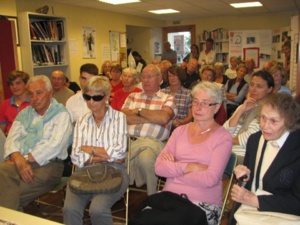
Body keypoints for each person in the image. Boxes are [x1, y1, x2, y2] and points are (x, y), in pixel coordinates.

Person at [155, 81, 232, 225]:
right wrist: (188, 167)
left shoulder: (223, 137)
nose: (198, 107)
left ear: (216, 107)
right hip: (169, 198)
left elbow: (210, 179)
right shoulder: (179, 131)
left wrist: (174, 171)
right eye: (195, 101)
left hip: (202, 203)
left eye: (205, 103)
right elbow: (159, 168)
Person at [0, 75, 73, 210]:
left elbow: (54, 146)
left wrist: (24, 160)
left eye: (39, 93)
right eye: (30, 94)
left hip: (48, 166)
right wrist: (18, 158)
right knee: (3, 170)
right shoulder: (24, 114)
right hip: (19, 162)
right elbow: (11, 139)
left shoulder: (61, 114)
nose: (34, 98)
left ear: (50, 93)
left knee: (8, 195)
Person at [63, 76, 128, 225]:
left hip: (114, 170)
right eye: (87, 97)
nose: (91, 102)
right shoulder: (81, 121)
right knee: (69, 209)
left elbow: (119, 152)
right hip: (84, 171)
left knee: (98, 209)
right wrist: (106, 155)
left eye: (96, 97)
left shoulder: (119, 118)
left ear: (106, 97)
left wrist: (89, 149)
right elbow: (76, 157)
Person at [230, 93, 300, 225]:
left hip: (284, 217)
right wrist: (244, 178)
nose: (265, 126)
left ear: (289, 121)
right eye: (263, 118)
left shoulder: (297, 148)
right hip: (253, 214)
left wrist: (256, 200)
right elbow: (252, 183)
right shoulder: (255, 139)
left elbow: (297, 202)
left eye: (274, 121)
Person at [121, 64, 177, 195]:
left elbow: (163, 118)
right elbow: (123, 118)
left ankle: (152, 197)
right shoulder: (132, 97)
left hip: (153, 143)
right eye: (143, 77)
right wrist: (153, 116)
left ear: (159, 79)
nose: (145, 80)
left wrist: (138, 111)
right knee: (110, 158)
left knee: (145, 159)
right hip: (127, 142)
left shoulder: (168, 98)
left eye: (150, 77)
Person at [223, 70, 274, 164]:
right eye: (252, 84)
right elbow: (225, 130)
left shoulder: (268, 111)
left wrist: (223, 141)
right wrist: (241, 110)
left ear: (269, 89)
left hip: (243, 156)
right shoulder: (245, 105)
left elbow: (249, 139)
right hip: (227, 151)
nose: (253, 89)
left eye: (259, 86)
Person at [161, 65, 193, 133]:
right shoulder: (162, 92)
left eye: (174, 76)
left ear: (180, 76)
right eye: (170, 76)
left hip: (181, 127)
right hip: (163, 126)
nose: (172, 78)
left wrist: (181, 122)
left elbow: (190, 116)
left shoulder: (188, 93)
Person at [0, 70, 30, 135]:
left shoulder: (34, 102)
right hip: (10, 140)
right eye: (11, 84)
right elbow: (1, 131)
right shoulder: (5, 104)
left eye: (18, 83)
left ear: (26, 84)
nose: (14, 87)